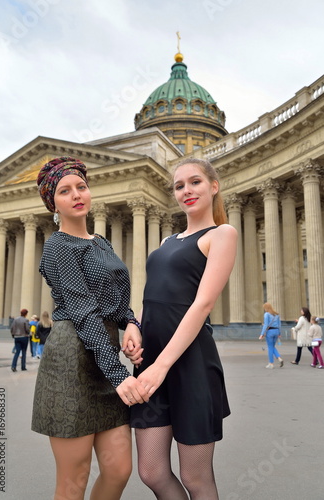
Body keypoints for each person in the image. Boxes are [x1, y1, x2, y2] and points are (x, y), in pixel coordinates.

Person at [31, 156, 149, 500]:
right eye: (65, 191)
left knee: (118, 470)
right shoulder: (58, 246)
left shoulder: (101, 243)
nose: (76, 195)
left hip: (106, 359)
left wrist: (130, 323)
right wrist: (119, 374)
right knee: (74, 479)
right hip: (72, 363)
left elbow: (116, 300)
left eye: (81, 187)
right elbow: (83, 312)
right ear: (53, 203)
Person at [125, 157, 237, 500]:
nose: (186, 190)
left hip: (189, 363)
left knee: (195, 477)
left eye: (195, 182)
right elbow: (151, 295)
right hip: (151, 362)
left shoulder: (222, 234)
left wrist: (161, 366)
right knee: (151, 472)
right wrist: (135, 327)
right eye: (179, 185)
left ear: (213, 186)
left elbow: (202, 304)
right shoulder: (165, 241)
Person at [259, 303, 284, 368]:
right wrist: (279, 333)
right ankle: (279, 358)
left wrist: (262, 334)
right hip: (276, 331)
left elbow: (266, 325)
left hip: (270, 332)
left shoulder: (266, 314)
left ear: (266, 308)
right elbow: (279, 325)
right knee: (272, 346)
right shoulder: (277, 315)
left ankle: (271, 363)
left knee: (270, 347)